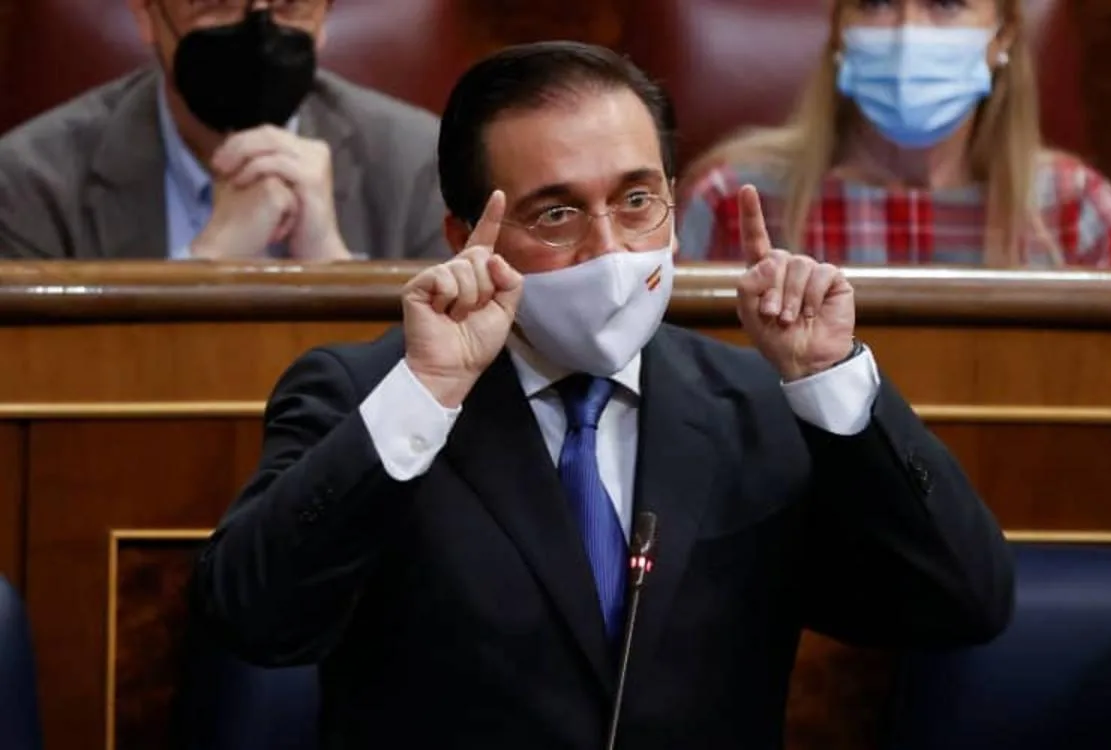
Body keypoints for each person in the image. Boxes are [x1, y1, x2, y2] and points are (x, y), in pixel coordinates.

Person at [189, 41, 1014, 748]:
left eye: (637, 200)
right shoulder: (370, 396)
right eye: (556, 215)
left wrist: (834, 384)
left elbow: (963, 604)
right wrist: (428, 393)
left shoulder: (759, 406)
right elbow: (255, 621)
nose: (609, 249)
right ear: (465, 239)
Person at [677, 0, 1111, 268]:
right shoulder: (733, 201)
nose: (908, 32)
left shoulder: (1073, 208)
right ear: (840, 30)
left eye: (945, 4)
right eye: (876, 3)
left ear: (1002, 37)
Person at [0, 0, 448, 261]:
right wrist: (206, 268)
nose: (259, 30)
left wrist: (333, 275)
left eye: (289, 3)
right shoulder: (29, 184)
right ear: (145, 13)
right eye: (218, 0)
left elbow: (448, 383)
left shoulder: (420, 165)